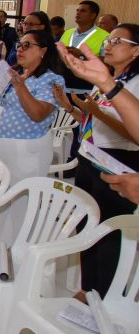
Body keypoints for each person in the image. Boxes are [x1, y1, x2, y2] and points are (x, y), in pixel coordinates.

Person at [54, 24, 139, 300]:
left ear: (136, 51)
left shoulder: (132, 84)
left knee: (111, 232)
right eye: (109, 39)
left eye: (118, 40)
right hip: (91, 155)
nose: (108, 44)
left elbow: (132, 132)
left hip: (118, 161)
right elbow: (91, 122)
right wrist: (71, 109)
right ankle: (89, 289)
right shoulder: (107, 78)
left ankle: (107, 296)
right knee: (87, 223)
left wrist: (97, 113)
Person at [0, 30, 64, 243]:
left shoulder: (51, 79)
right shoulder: (10, 70)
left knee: (22, 204)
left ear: (43, 51)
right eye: (19, 45)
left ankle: (18, 257)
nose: (20, 49)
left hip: (26, 150)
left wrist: (19, 85)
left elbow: (37, 114)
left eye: (27, 46)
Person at [60, 1, 111, 166]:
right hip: (64, 85)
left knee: (81, 128)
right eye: (77, 10)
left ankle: (75, 161)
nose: (78, 13)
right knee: (62, 125)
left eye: (83, 11)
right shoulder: (68, 33)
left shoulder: (104, 35)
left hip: (86, 89)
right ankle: (64, 157)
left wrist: (82, 55)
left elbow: (109, 62)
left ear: (93, 15)